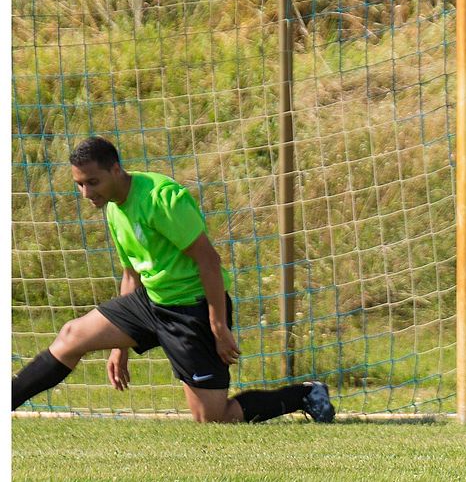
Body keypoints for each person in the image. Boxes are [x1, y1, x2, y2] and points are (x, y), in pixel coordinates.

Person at [12, 136, 335, 424]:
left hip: (191, 308)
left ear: (116, 170)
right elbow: (131, 273)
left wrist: (218, 326)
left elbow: (209, 261)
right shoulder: (113, 207)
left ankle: (304, 395)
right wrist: (118, 347)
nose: (86, 193)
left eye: (92, 183)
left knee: (212, 417)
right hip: (151, 300)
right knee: (71, 336)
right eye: (79, 184)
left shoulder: (161, 198)